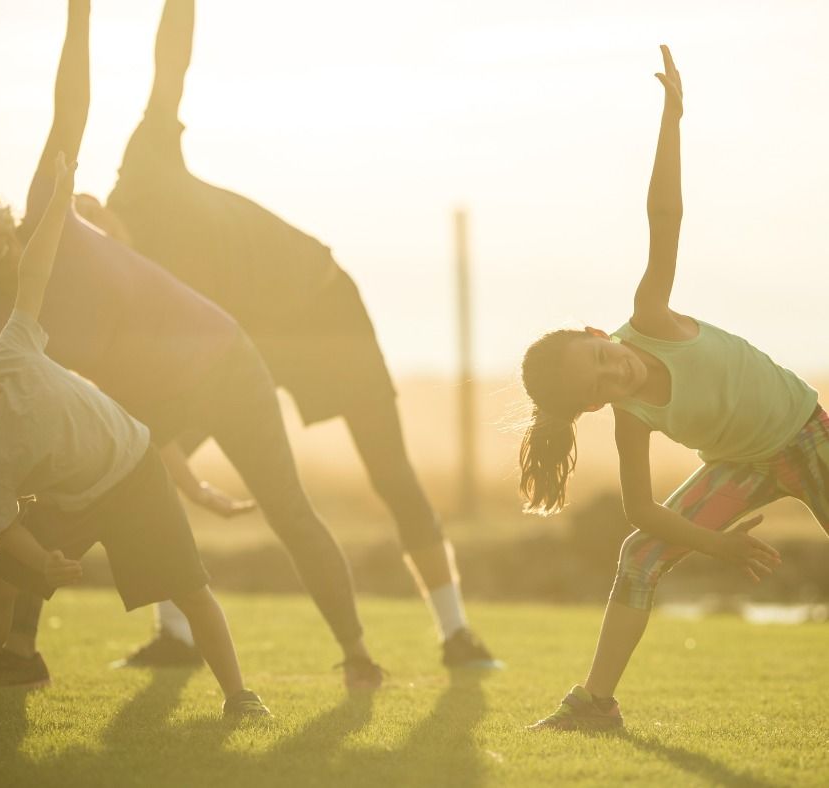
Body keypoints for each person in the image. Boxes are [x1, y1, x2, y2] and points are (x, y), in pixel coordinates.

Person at [0, 0, 382, 690]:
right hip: (149, 410)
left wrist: (78, 14)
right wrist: (183, 478)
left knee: (288, 508)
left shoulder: (46, 211)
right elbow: (63, 421)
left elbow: (73, 103)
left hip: (226, 360)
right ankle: (18, 657)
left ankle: (358, 653)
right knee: (49, 510)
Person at [68, 0, 498, 672]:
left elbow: (170, 65)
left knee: (391, 474)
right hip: (240, 345)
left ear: (97, 202)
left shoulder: (143, 165)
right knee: (152, 459)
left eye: (92, 219)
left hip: (323, 306)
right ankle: (174, 636)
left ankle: (457, 635)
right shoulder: (123, 288)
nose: (97, 236)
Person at [0, 153, 269, 717]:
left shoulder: (12, 351)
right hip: (74, 501)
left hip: (135, 471)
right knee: (1, 580)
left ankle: (239, 696)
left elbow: (35, 271)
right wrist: (42, 561)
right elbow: (8, 529)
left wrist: (58, 204)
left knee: (189, 588)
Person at [518, 46, 823, 731]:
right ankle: (594, 705)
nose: (612, 371)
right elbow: (643, 513)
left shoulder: (650, 319)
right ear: (596, 406)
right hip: (743, 465)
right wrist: (717, 546)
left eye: (600, 355)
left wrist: (672, 116)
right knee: (639, 557)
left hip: (806, 435)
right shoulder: (632, 417)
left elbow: (665, 216)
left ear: (601, 330)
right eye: (599, 383)